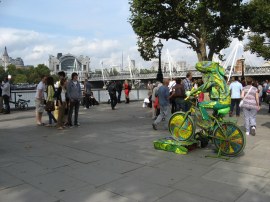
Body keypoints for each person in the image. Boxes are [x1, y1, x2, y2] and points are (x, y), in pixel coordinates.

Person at [186, 61, 231, 129]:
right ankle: (215, 131)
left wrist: (192, 92)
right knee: (215, 119)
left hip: (222, 102)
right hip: (226, 102)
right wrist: (198, 92)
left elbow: (204, 86)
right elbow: (207, 88)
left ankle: (206, 122)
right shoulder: (219, 77)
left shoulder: (215, 78)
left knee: (201, 105)